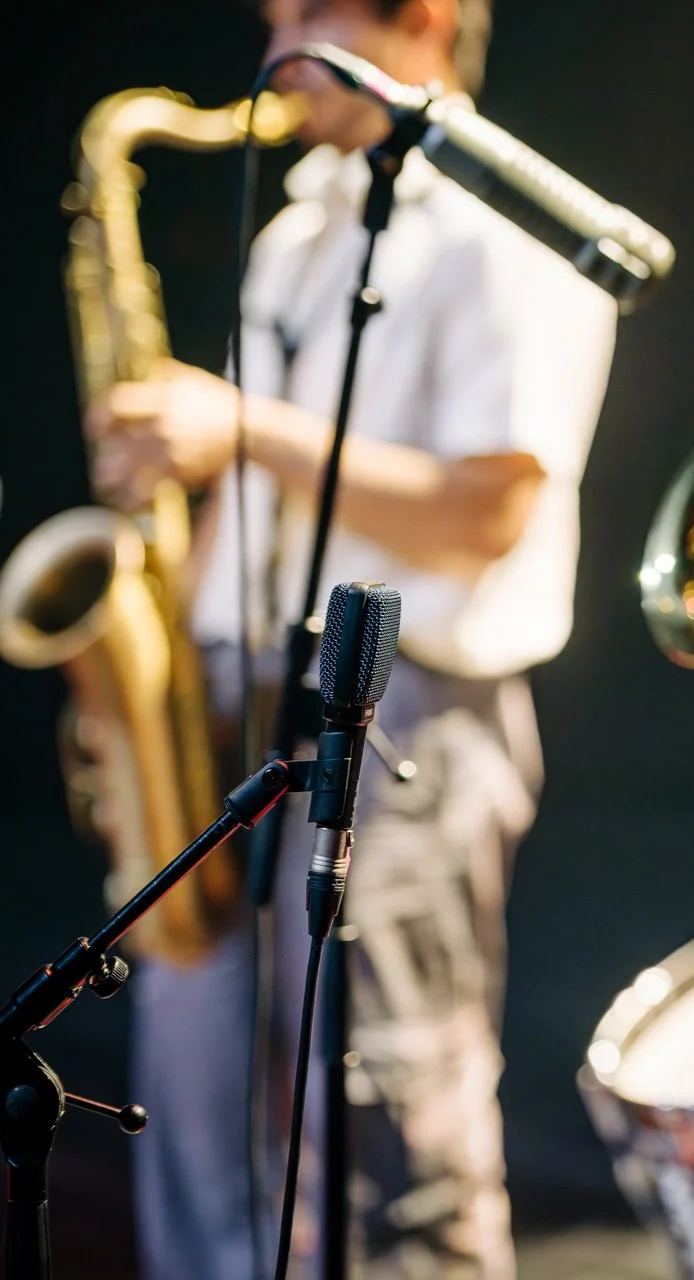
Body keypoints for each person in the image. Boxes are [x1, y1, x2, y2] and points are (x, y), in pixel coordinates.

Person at [86, 0, 618, 1274]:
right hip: (232, 701)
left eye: (310, 12)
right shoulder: (302, 224)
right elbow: (262, 484)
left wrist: (242, 432)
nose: (276, 48)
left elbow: (488, 513)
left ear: (424, 18)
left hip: (405, 713)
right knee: (202, 1125)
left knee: (393, 1143)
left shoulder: (510, 229)